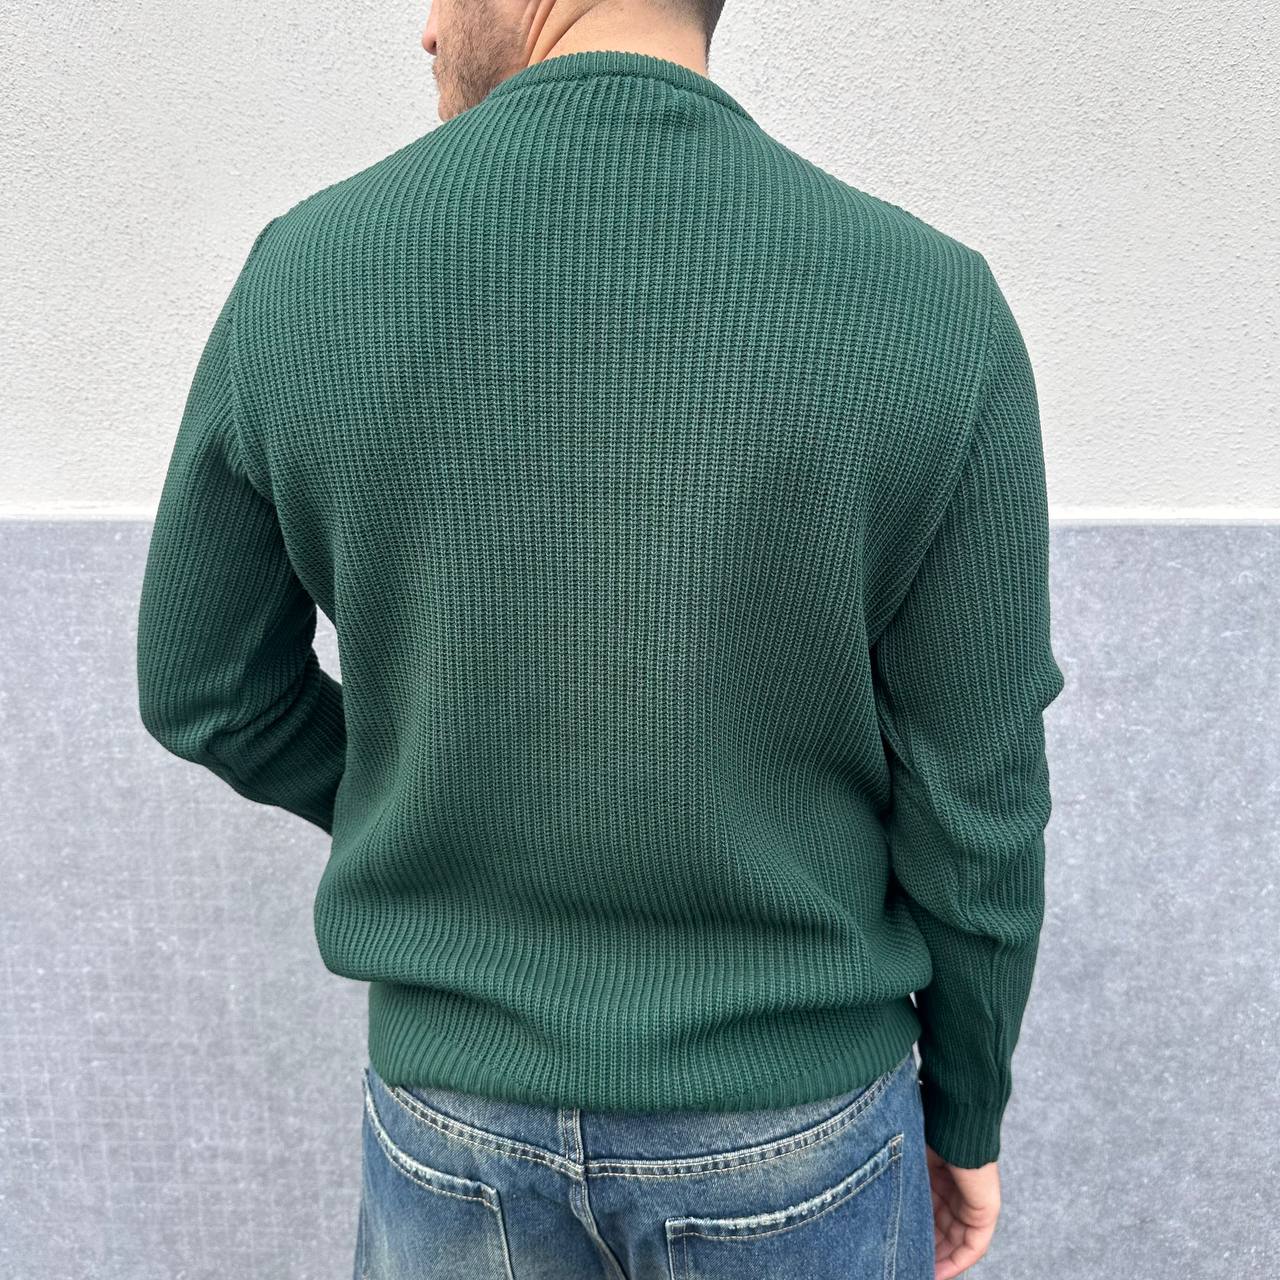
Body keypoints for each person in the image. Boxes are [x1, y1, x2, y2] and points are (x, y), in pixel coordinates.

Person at [135, 0, 1066, 1276]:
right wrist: (966, 1105)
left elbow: (204, 688)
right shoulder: (930, 304)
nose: (425, 31)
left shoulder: (304, 272)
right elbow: (977, 798)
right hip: (790, 1124)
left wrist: (438, 800)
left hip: (453, 1119)